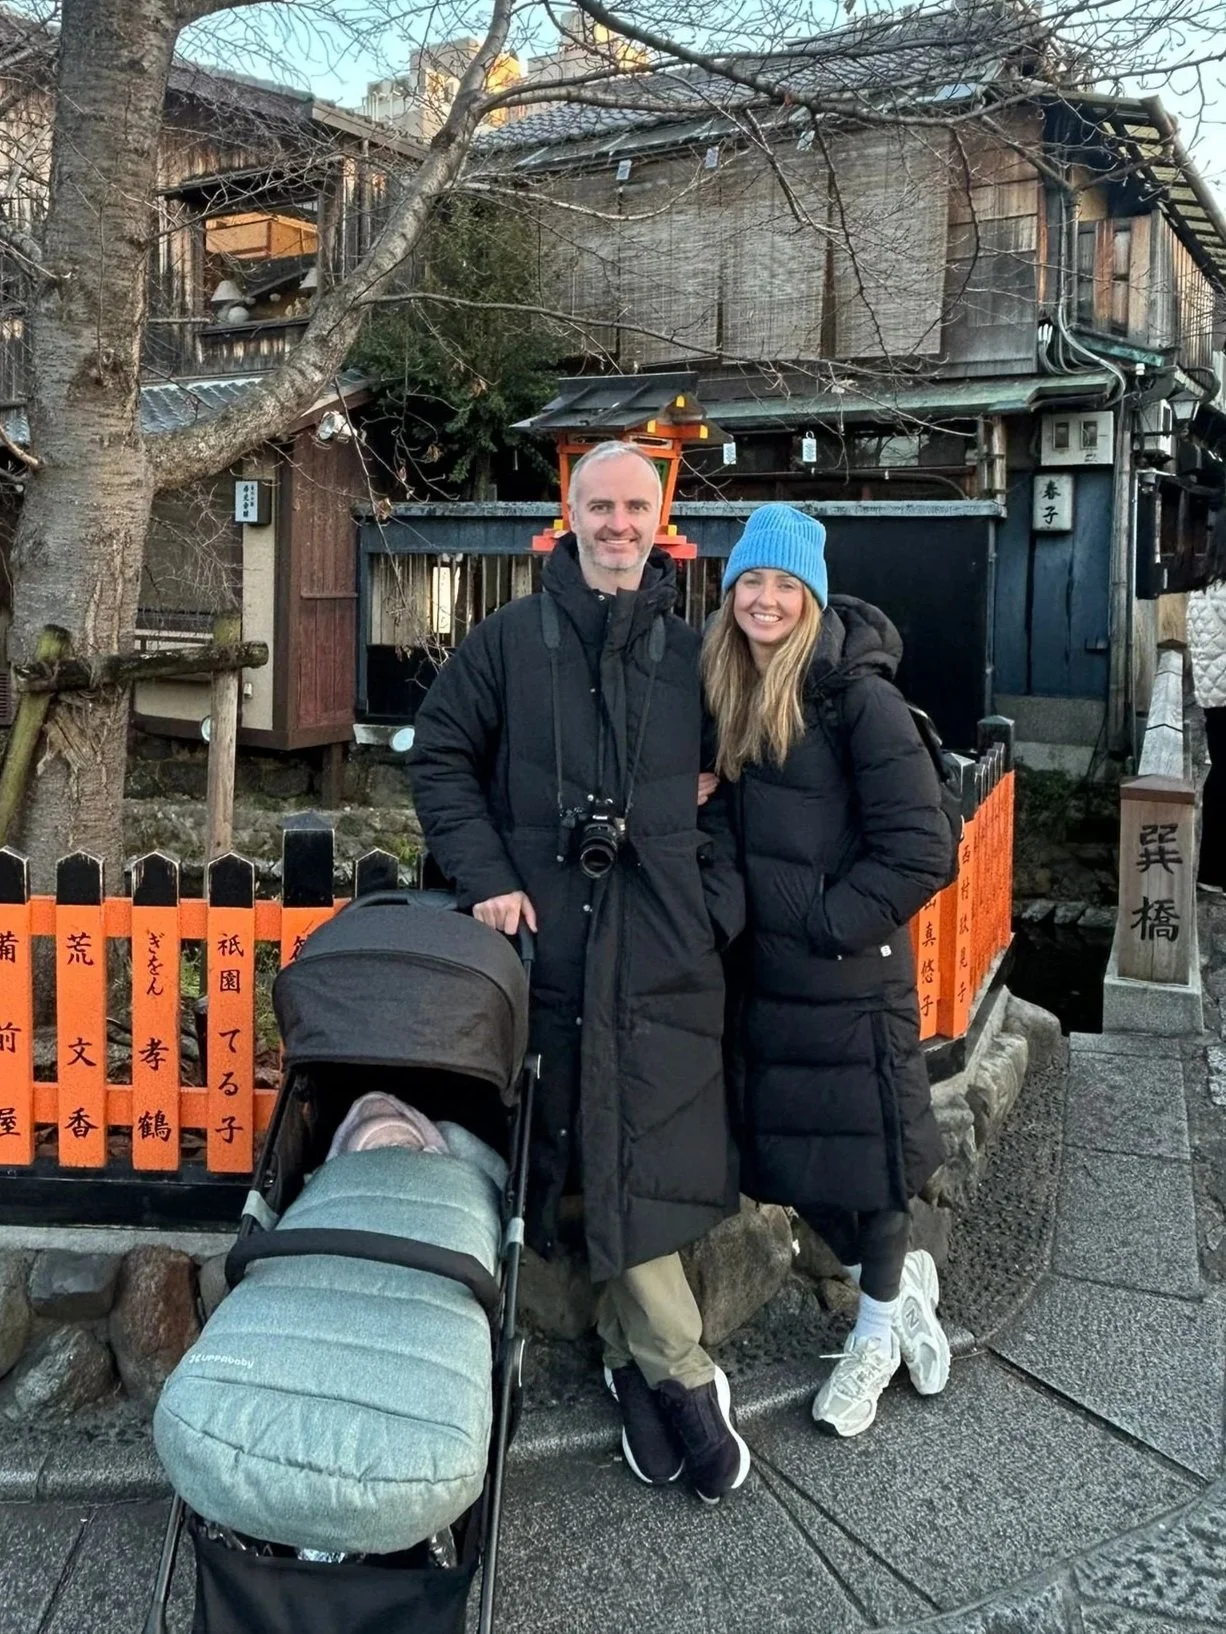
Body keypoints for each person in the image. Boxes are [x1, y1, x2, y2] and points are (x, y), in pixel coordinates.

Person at [407, 441, 750, 1502]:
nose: (615, 523)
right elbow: (437, 755)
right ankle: (660, 1367)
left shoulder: (696, 657)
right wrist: (490, 877)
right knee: (576, 1142)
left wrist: (712, 906)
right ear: (566, 512)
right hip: (546, 948)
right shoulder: (509, 640)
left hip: (655, 951)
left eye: (633, 506)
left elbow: (747, 790)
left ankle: (651, 1364)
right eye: (597, 505)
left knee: (630, 1142)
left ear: (661, 516)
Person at [703, 502, 952, 1438]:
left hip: (846, 982)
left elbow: (924, 847)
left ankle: (873, 1338)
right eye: (749, 584)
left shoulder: (858, 699)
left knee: (868, 1174)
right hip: (767, 985)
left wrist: (825, 924)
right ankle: (904, 1301)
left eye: (783, 585)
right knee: (801, 1168)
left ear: (810, 597)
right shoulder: (727, 687)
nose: (764, 601)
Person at [1188, 514, 1226, 892]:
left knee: (1220, 780)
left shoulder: (1202, 591)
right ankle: (1215, 872)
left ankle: (1212, 873)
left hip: (1215, 701)